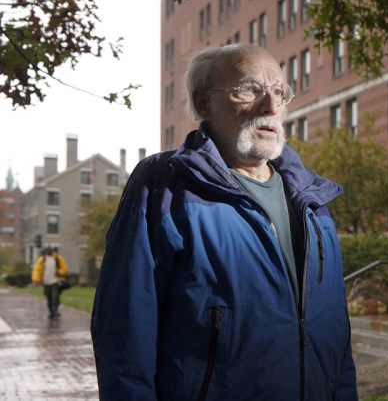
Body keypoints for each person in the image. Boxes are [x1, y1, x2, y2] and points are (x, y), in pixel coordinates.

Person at [91, 44, 358, 400]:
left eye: (279, 91)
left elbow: (337, 337)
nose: (272, 106)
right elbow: (124, 332)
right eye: (249, 89)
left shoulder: (313, 199)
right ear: (204, 103)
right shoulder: (164, 185)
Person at [31, 245, 68, 318]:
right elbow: (37, 269)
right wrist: (36, 280)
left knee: (55, 296)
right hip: (46, 282)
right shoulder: (42, 260)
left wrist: (59, 272)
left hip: (55, 281)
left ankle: (55, 310)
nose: (48, 251)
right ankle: (51, 311)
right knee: (49, 297)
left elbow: (64, 268)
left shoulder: (57, 258)